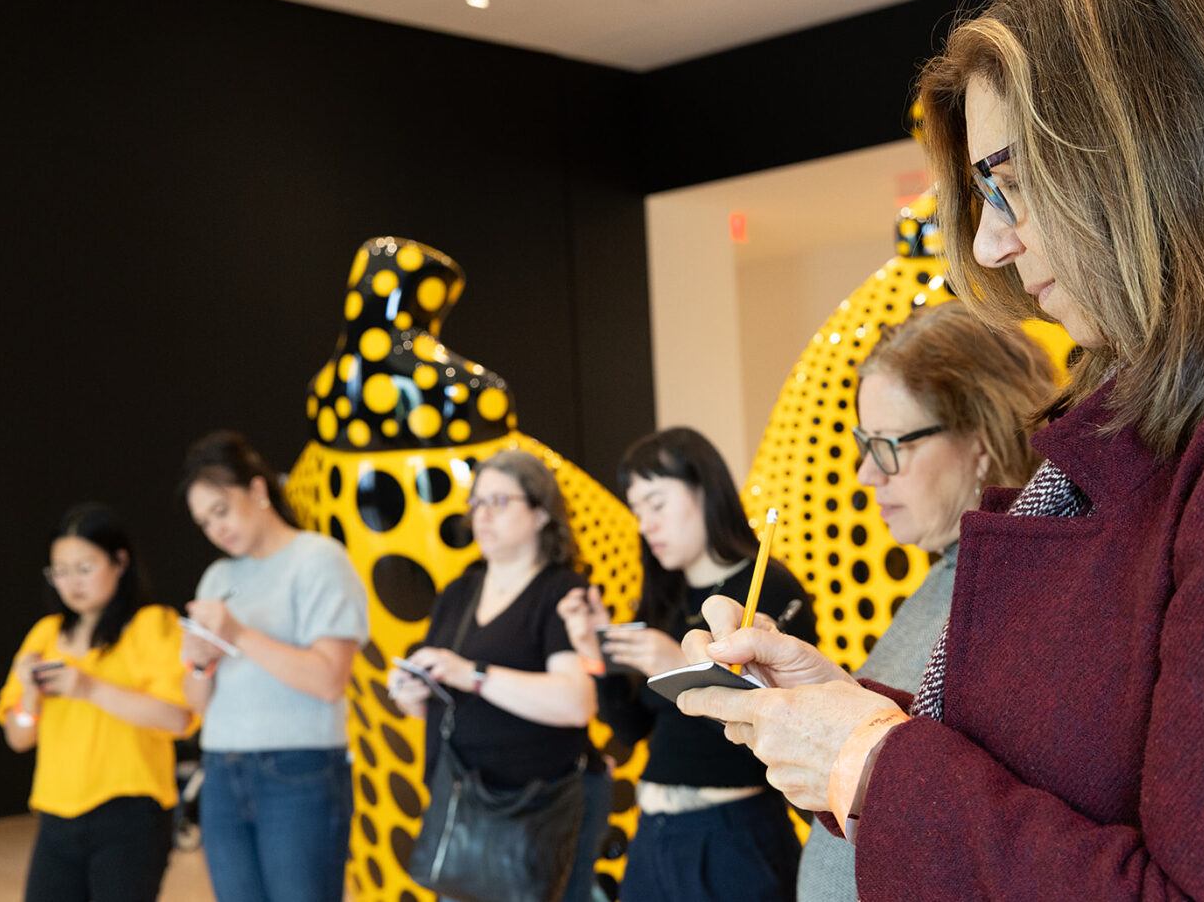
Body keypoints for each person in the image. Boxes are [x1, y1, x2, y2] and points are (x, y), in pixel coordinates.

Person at [676, 0, 1204, 899]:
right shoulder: (1171, 417)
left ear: (1147, 158)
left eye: (1014, 186)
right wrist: (845, 716)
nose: (993, 246)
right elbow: (1076, 770)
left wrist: (873, 766)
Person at [796, 301, 1053, 901]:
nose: (865, 473)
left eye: (888, 446)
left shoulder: (1019, 593)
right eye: (865, 444)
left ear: (980, 441)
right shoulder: (947, 574)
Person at [557, 427, 818, 901]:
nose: (646, 525)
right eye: (638, 511)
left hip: (733, 832)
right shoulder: (663, 599)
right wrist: (599, 659)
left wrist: (680, 662)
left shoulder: (770, 589)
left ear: (705, 489)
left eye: (657, 504)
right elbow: (631, 727)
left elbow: (787, 730)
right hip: (656, 831)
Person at [388, 449, 596, 901]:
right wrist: (411, 691)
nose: (482, 516)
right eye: (476, 504)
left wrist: (472, 674)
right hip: (459, 800)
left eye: (499, 502)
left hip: (531, 805)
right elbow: (436, 703)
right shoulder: (459, 592)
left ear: (541, 512)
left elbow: (575, 702)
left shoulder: (561, 592)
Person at [180, 430, 367, 902]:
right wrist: (200, 663)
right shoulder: (218, 576)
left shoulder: (318, 559)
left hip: (299, 769)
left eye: (221, 510)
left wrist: (239, 634)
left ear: (258, 490)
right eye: (204, 522)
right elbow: (195, 701)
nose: (216, 529)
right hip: (221, 768)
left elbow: (329, 680)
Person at [0, 503, 195, 902]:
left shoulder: (152, 625)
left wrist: (91, 689)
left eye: (85, 568)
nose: (72, 583)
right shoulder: (46, 634)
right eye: (60, 571)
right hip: (56, 816)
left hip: (130, 815)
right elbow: (18, 737)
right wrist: (29, 696)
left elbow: (178, 717)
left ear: (120, 562)